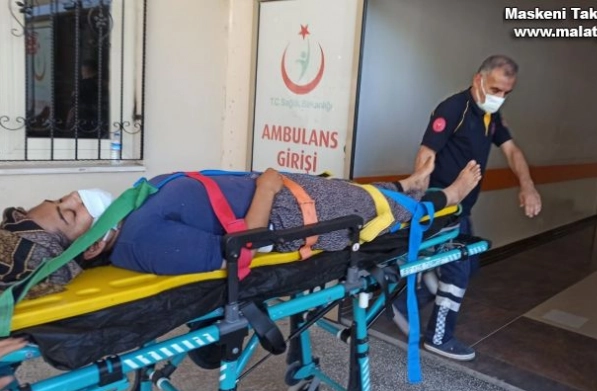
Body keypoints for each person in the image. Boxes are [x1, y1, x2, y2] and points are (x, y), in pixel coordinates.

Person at [391, 55, 543, 362]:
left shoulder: (491, 117)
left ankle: (402, 302)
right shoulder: (453, 109)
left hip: (462, 209)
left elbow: (512, 151)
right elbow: (426, 154)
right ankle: (439, 337)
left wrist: (527, 185)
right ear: (478, 80)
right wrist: (421, 205)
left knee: (469, 265)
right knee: (457, 271)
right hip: (442, 206)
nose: (500, 97)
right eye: (496, 89)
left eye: (507, 92)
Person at [83, 160, 482, 276]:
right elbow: (241, 252)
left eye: (63, 199)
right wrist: (267, 188)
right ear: (92, 246)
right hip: (286, 214)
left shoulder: (132, 215)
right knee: (376, 209)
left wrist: (269, 185)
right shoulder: (141, 240)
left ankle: (407, 183)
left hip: (282, 194)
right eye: (70, 213)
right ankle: (448, 196)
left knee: (351, 190)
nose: (75, 198)